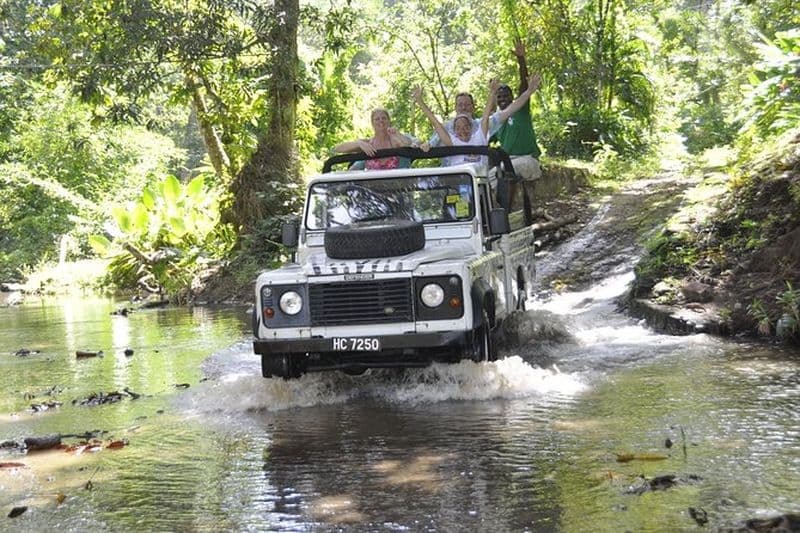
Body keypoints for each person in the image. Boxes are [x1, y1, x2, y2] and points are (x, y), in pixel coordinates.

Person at [414, 75, 541, 168]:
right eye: (460, 105)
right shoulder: (447, 129)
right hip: (452, 178)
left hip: (478, 180)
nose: (463, 108)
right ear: (455, 108)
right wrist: (426, 145)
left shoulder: (481, 128)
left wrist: (529, 91)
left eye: (467, 105)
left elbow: (509, 110)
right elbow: (434, 134)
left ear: (473, 108)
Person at [491, 38, 543, 206]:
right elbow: (482, 138)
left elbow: (524, 85)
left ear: (512, 97)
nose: (503, 99)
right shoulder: (497, 120)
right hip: (509, 161)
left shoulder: (520, 109)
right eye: (499, 97)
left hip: (528, 160)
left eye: (506, 95)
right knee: (487, 172)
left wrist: (521, 59)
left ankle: (506, 210)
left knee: (504, 172)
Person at [333, 108, 414, 170]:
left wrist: (398, 135)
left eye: (384, 118)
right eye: (377, 119)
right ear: (372, 123)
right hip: (372, 190)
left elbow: (409, 145)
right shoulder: (368, 143)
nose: (381, 121)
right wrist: (359, 143)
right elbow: (337, 149)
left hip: (399, 189)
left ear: (389, 121)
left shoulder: (396, 140)